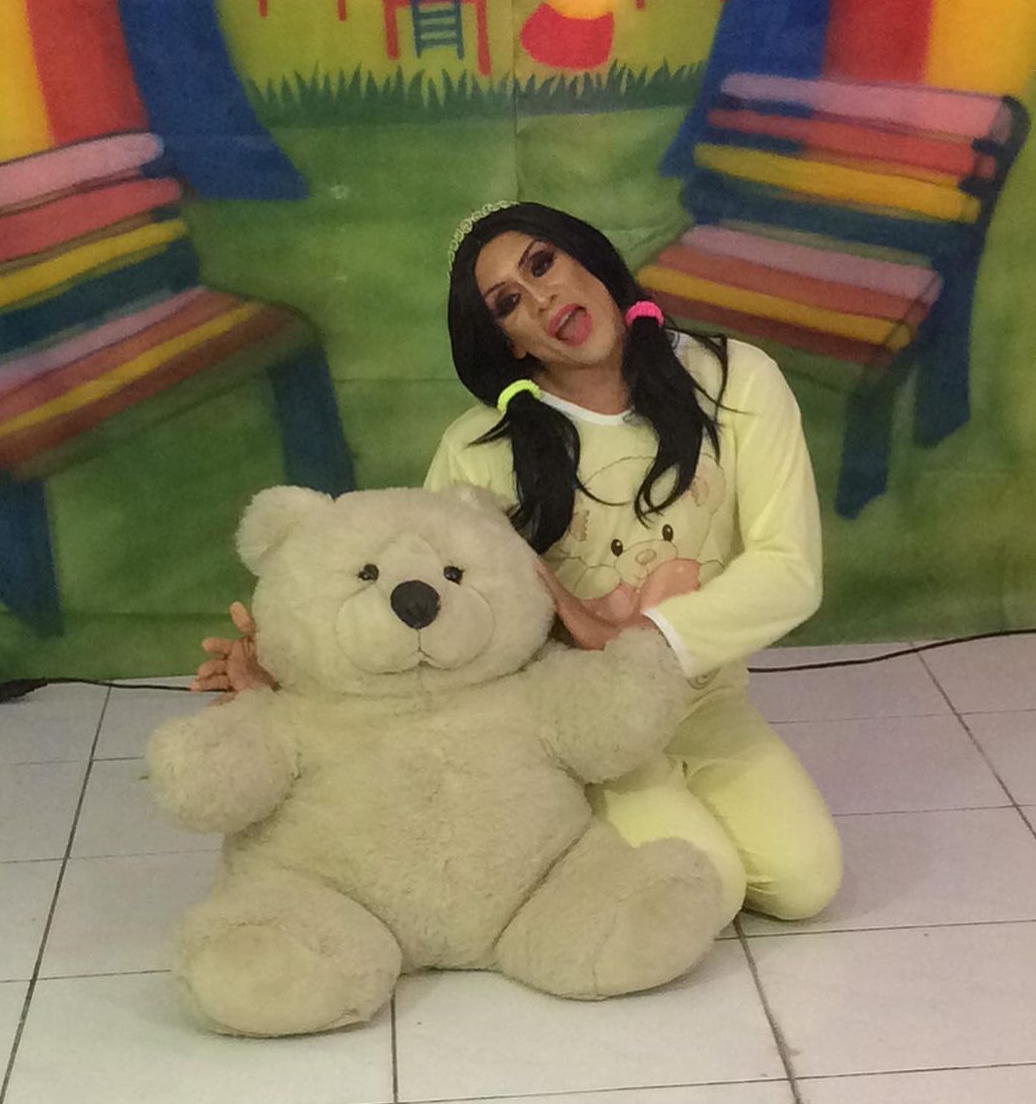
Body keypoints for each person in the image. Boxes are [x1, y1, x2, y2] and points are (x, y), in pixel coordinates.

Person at [197, 201, 842, 925]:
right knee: (708, 887)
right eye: (507, 302)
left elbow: (789, 569)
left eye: (543, 263)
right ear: (509, 342)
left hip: (709, 705)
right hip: (578, 729)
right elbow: (426, 620)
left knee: (806, 883)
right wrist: (285, 681)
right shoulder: (478, 451)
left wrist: (632, 636)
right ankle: (565, 829)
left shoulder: (734, 379)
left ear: (589, 258)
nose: (540, 297)